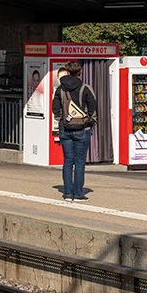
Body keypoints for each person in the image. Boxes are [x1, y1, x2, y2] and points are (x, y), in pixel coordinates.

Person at [52, 61, 98, 202]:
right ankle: (78, 194)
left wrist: (62, 120)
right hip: (82, 129)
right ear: (80, 73)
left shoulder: (60, 89)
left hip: (65, 129)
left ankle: (67, 193)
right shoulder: (86, 88)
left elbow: (55, 108)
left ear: (67, 72)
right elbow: (93, 107)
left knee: (68, 161)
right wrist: (89, 121)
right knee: (79, 162)